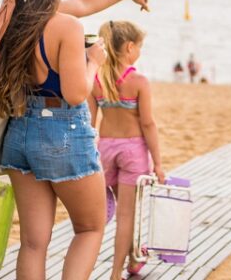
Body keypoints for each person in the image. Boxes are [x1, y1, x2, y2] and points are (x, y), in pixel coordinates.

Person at [0, 0, 114, 279]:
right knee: (90, 228)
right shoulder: (67, 26)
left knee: (33, 243)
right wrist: (93, 62)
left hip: (19, 133)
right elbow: (76, 95)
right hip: (62, 133)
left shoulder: (10, 23)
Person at [92, 20, 164, 280]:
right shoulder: (138, 82)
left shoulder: (96, 80)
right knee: (127, 216)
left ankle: (134, 259)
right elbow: (148, 123)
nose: (140, 51)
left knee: (114, 213)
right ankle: (115, 273)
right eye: (140, 46)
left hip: (105, 152)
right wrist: (158, 163)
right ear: (130, 47)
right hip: (132, 153)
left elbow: (90, 125)